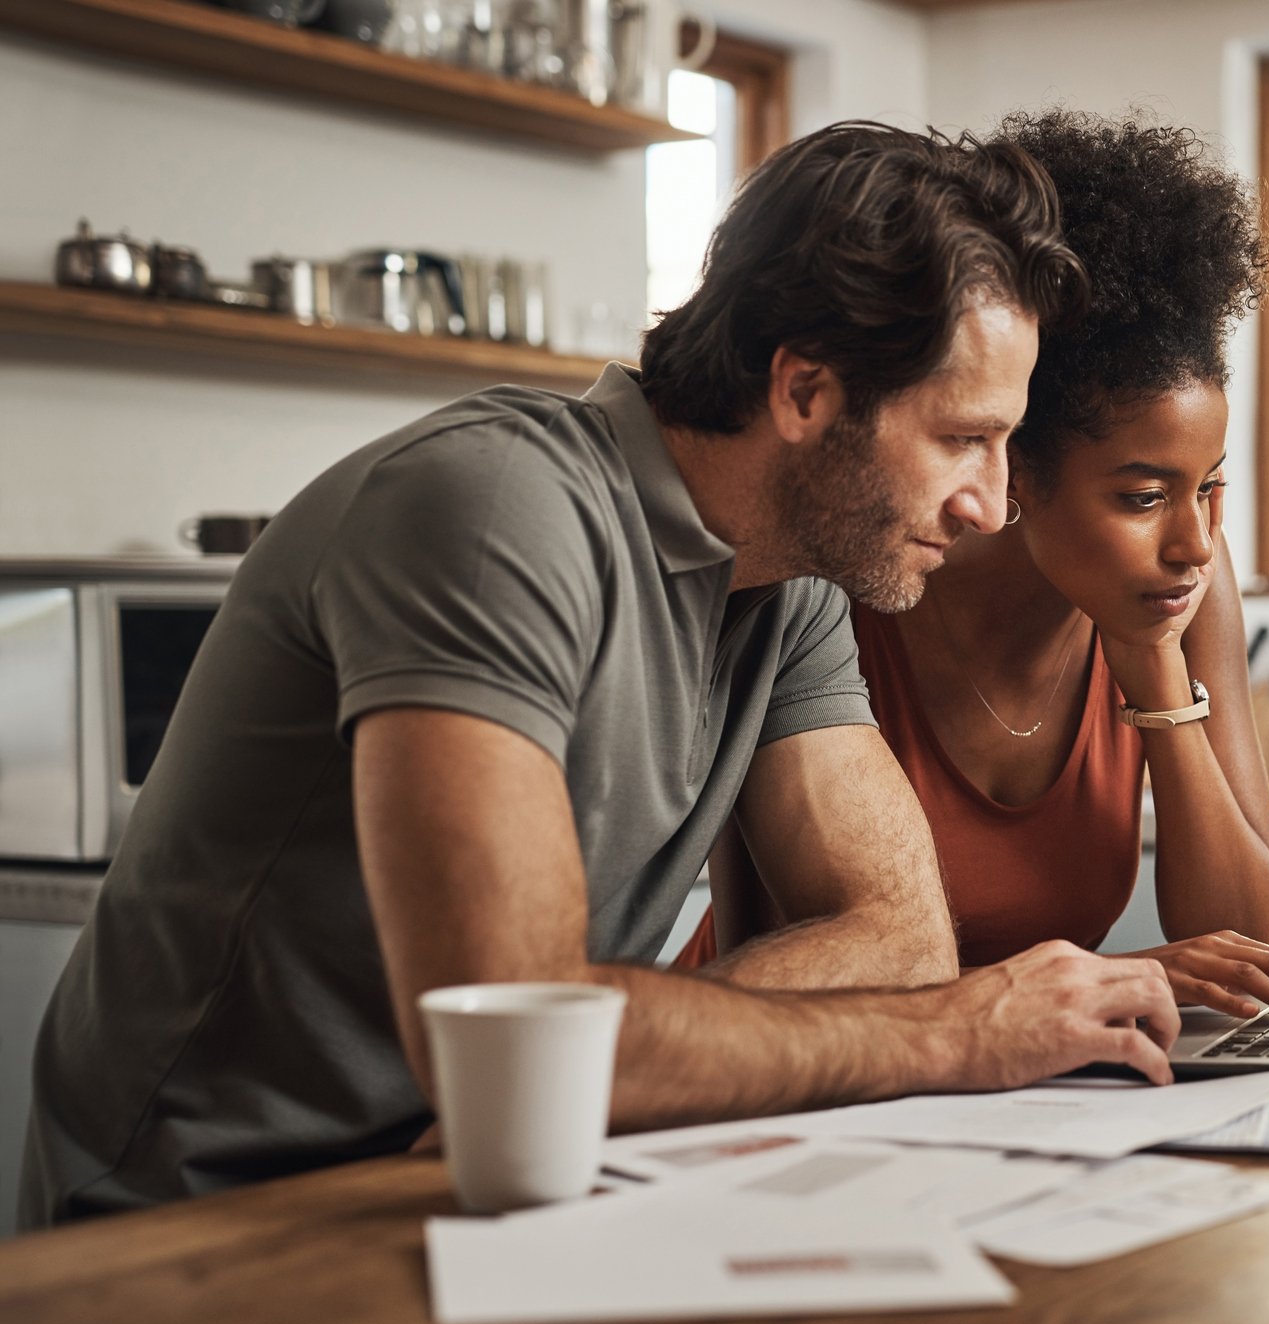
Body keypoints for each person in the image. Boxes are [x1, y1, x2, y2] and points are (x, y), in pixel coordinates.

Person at [20, 122, 1184, 1231]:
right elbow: (519, 1040)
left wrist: (606, 1060)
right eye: (960, 438)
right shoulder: (491, 512)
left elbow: (897, 937)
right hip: (214, 1215)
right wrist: (949, 1035)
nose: (987, 503)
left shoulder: (793, 585)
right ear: (804, 393)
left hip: (497, 1176)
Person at [686, 112, 1269, 1028]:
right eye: (1143, 497)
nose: (1194, 542)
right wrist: (1116, 976)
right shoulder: (854, 575)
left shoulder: (1178, 588)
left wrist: (1152, 667)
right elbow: (801, 949)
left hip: (1020, 1075)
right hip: (791, 1058)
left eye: (1211, 488)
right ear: (1014, 466)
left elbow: (1245, 937)